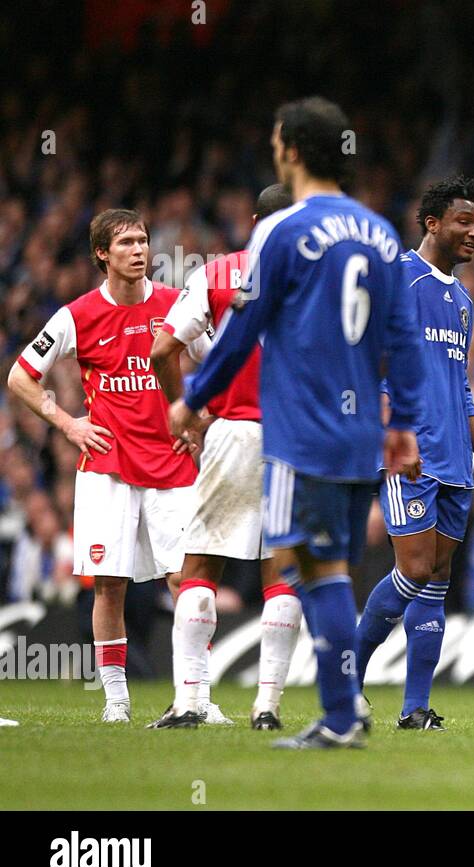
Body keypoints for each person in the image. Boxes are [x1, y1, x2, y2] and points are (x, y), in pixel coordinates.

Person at [172, 96, 425, 750]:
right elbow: (403, 338)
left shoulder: (279, 231)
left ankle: (341, 713)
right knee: (326, 566)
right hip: (360, 432)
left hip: (300, 432)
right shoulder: (380, 232)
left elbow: (241, 330)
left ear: (288, 149)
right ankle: (344, 708)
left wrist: (193, 396)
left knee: (315, 570)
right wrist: (406, 422)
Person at [7, 209, 198, 723]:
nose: (139, 250)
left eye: (143, 241)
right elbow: (21, 378)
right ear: (102, 254)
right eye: (127, 243)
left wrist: (198, 422)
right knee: (109, 583)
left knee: (185, 579)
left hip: (170, 464)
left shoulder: (176, 306)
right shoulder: (76, 316)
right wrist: (68, 425)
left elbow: (212, 363)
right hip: (106, 467)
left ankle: (194, 698)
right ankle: (117, 701)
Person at [146, 183, 301, 731]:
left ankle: (190, 702)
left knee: (200, 568)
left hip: (233, 432)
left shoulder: (216, 274)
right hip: (297, 440)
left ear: (256, 218)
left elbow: (163, 347)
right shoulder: (324, 276)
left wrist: (183, 412)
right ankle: (267, 708)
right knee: (283, 574)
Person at [353, 175, 474, 731]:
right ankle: (348, 676)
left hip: (452, 457)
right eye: (463, 222)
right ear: (432, 222)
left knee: (436, 577)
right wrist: (399, 434)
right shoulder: (398, 279)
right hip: (407, 451)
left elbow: (458, 383)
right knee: (413, 569)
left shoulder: (462, 300)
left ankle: (415, 707)